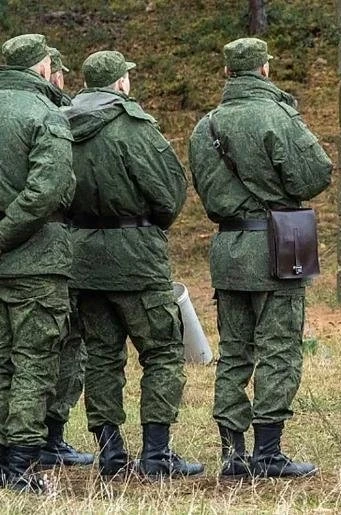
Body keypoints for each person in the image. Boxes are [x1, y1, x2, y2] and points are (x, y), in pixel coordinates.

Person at [188, 38, 332, 479]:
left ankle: (232, 454)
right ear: (265, 69)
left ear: (227, 72)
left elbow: (205, 190)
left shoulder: (205, 127)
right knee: (278, 350)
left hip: (228, 249)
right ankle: (268, 452)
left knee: (234, 352)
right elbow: (315, 175)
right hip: (277, 248)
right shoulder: (278, 116)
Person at [65, 50, 203, 479]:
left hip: (82, 256)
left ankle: (110, 453)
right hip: (137, 258)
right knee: (162, 351)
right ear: (120, 82)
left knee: (101, 356)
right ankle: (157, 453)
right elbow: (168, 193)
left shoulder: (60, 123)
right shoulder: (133, 126)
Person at [0, 34, 76, 493]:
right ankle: (20, 465)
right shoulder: (46, 114)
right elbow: (46, 191)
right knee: (33, 363)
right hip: (36, 261)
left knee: (2, 363)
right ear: (43, 68)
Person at [37, 45, 94, 470]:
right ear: (51, 73)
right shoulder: (62, 116)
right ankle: (49, 436)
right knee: (66, 343)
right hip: (58, 246)